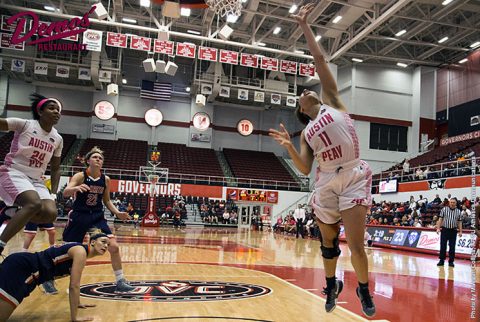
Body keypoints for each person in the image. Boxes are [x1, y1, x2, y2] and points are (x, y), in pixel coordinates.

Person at [269, 4, 375, 317]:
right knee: (327, 242)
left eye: (305, 90)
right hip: (327, 179)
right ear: (302, 109)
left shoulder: (333, 101)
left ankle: (364, 290)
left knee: (357, 245)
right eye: (301, 94)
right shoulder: (306, 134)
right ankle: (331, 285)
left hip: (354, 174)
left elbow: (318, 59)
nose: (305, 91)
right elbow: (304, 169)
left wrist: (304, 25)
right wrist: (289, 145)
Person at [62, 146, 134, 292]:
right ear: (88, 160)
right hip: (79, 216)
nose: (98, 160)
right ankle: (50, 277)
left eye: (100, 158)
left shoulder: (105, 179)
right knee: (68, 252)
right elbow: (65, 192)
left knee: (113, 247)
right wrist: (75, 189)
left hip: (96, 217)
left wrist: (117, 213)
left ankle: (120, 281)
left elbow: (107, 201)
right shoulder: (80, 176)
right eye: (95, 157)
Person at [0, 93, 63, 255]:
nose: (56, 111)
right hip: (14, 171)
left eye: (58, 109)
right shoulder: (25, 125)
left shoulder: (57, 138)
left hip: (35, 179)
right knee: (34, 204)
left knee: (50, 213)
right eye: (51, 108)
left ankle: (13, 211)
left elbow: (56, 168)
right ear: (40, 112)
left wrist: (54, 193)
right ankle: (1, 243)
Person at [0, 233, 110, 322]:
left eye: (108, 245)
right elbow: (74, 286)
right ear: (93, 242)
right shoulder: (80, 252)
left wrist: (78, 303)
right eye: (103, 242)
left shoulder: (81, 251)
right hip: (24, 268)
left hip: (28, 270)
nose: (106, 246)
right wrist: (74, 318)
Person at [436, 198, 463, 267]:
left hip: (453, 231)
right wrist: (438, 228)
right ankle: (441, 260)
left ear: (456, 203)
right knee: (443, 246)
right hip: (445, 230)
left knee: (452, 247)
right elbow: (440, 219)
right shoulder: (444, 209)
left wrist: (460, 231)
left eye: (454, 202)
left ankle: (451, 261)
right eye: (451, 202)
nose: (452, 203)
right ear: (449, 203)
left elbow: (459, 222)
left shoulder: (459, 211)